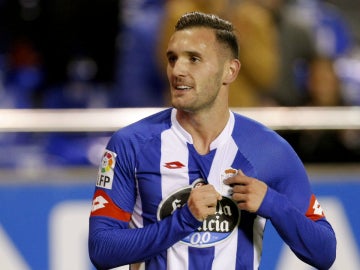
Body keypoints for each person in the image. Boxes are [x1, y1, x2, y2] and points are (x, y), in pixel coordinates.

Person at [88, 11, 336, 270]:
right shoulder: (130, 145)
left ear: (229, 71)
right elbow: (102, 248)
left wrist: (272, 203)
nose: (177, 70)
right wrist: (184, 219)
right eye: (172, 58)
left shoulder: (271, 151)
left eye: (193, 59)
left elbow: (324, 252)